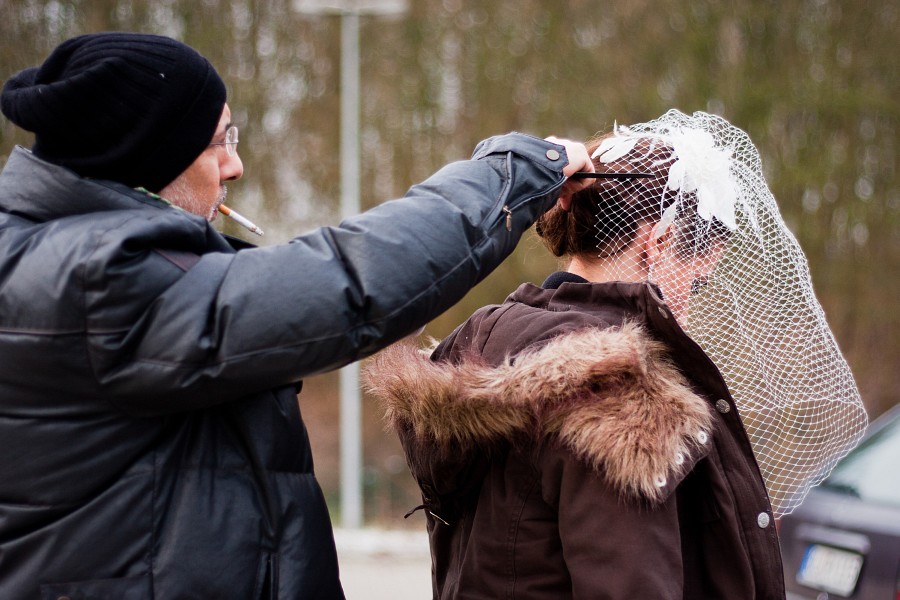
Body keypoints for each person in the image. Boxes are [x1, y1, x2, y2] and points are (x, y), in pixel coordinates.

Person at [0, 32, 594, 599]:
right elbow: (346, 284)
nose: (234, 166)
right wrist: (515, 171)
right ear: (148, 157)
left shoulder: (48, 252)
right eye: (220, 141)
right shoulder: (97, 282)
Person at [365, 110, 867, 599]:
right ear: (659, 241)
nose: (695, 295)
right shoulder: (615, 391)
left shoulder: (488, 342)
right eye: (699, 276)